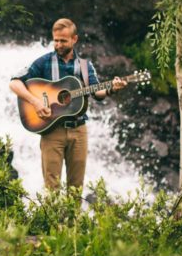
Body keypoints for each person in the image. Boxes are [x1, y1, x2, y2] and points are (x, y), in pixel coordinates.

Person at [9, 18, 126, 190]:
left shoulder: (85, 66)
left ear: (74, 39)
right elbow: (14, 83)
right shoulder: (43, 62)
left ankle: (74, 218)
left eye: (63, 40)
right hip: (52, 131)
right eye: (55, 40)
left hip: (79, 131)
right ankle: (53, 218)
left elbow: (96, 92)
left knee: (76, 187)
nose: (58, 44)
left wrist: (112, 88)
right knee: (52, 187)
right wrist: (35, 102)